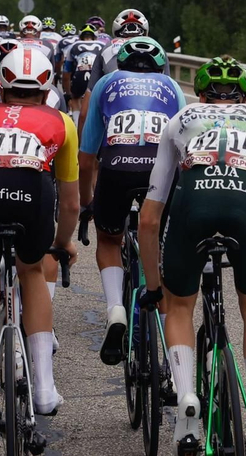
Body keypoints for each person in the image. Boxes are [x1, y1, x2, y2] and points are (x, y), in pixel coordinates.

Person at [137, 56, 246, 456]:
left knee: (179, 305)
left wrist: (155, 286)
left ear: (200, 92)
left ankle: (186, 395)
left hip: (193, 212)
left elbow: (150, 218)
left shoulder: (182, 119)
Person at [0, 46, 80, 446]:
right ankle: (43, 385)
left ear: (1, 88)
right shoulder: (61, 121)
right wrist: (62, 243)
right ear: (46, 91)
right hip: (31, 199)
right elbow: (71, 201)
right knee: (32, 270)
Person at [77, 37, 184, 363]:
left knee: (109, 239)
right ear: (161, 66)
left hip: (116, 167)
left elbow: (86, 158)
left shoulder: (106, 84)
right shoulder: (172, 87)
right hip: (160, 168)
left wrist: (87, 204)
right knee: (159, 256)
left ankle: (116, 310)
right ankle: (169, 358)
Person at [62, 22, 111, 128]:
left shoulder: (74, 45)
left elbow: (66, 73)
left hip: (80, 74)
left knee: (75, 98)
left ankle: (76, 122)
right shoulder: (103, 45)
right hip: (96, 76)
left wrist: (68, 92)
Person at [95, 8, 149, 79]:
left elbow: (90, 89)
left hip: (116, 86)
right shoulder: (157, 47)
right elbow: (167, 81)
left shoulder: (106, 46)